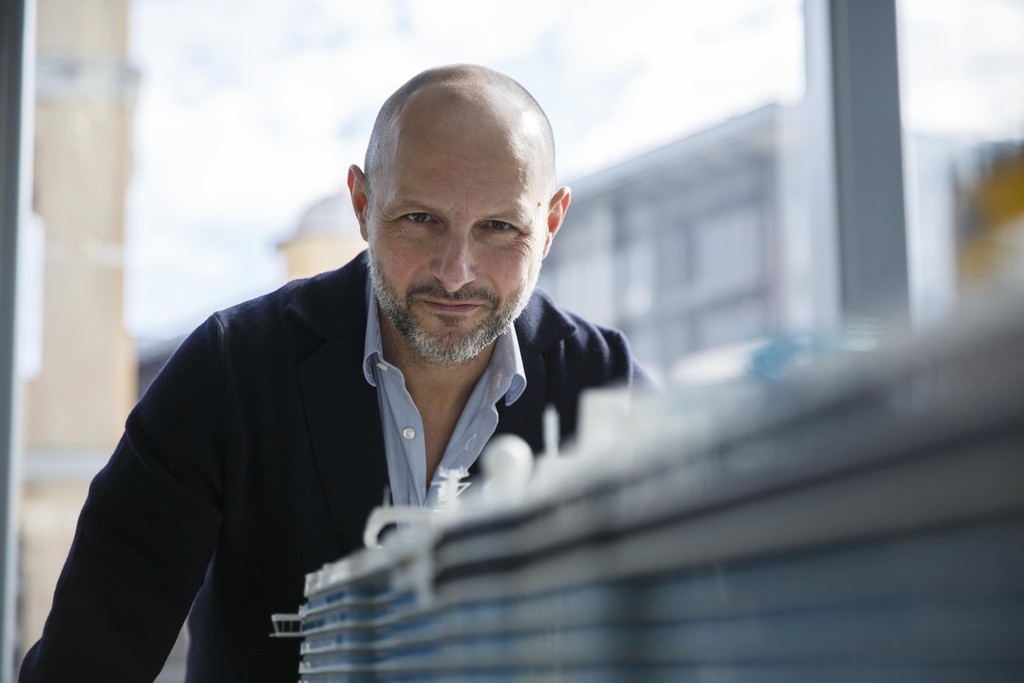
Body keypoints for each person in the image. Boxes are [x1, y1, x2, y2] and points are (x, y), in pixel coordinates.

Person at [19, 64, 650, 681]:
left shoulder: (608, 384)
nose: (456, 272)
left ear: (550, 224)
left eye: (500, 228)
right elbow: (87, 660)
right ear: (362, 204)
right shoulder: (229, 372)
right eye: (420, 220)